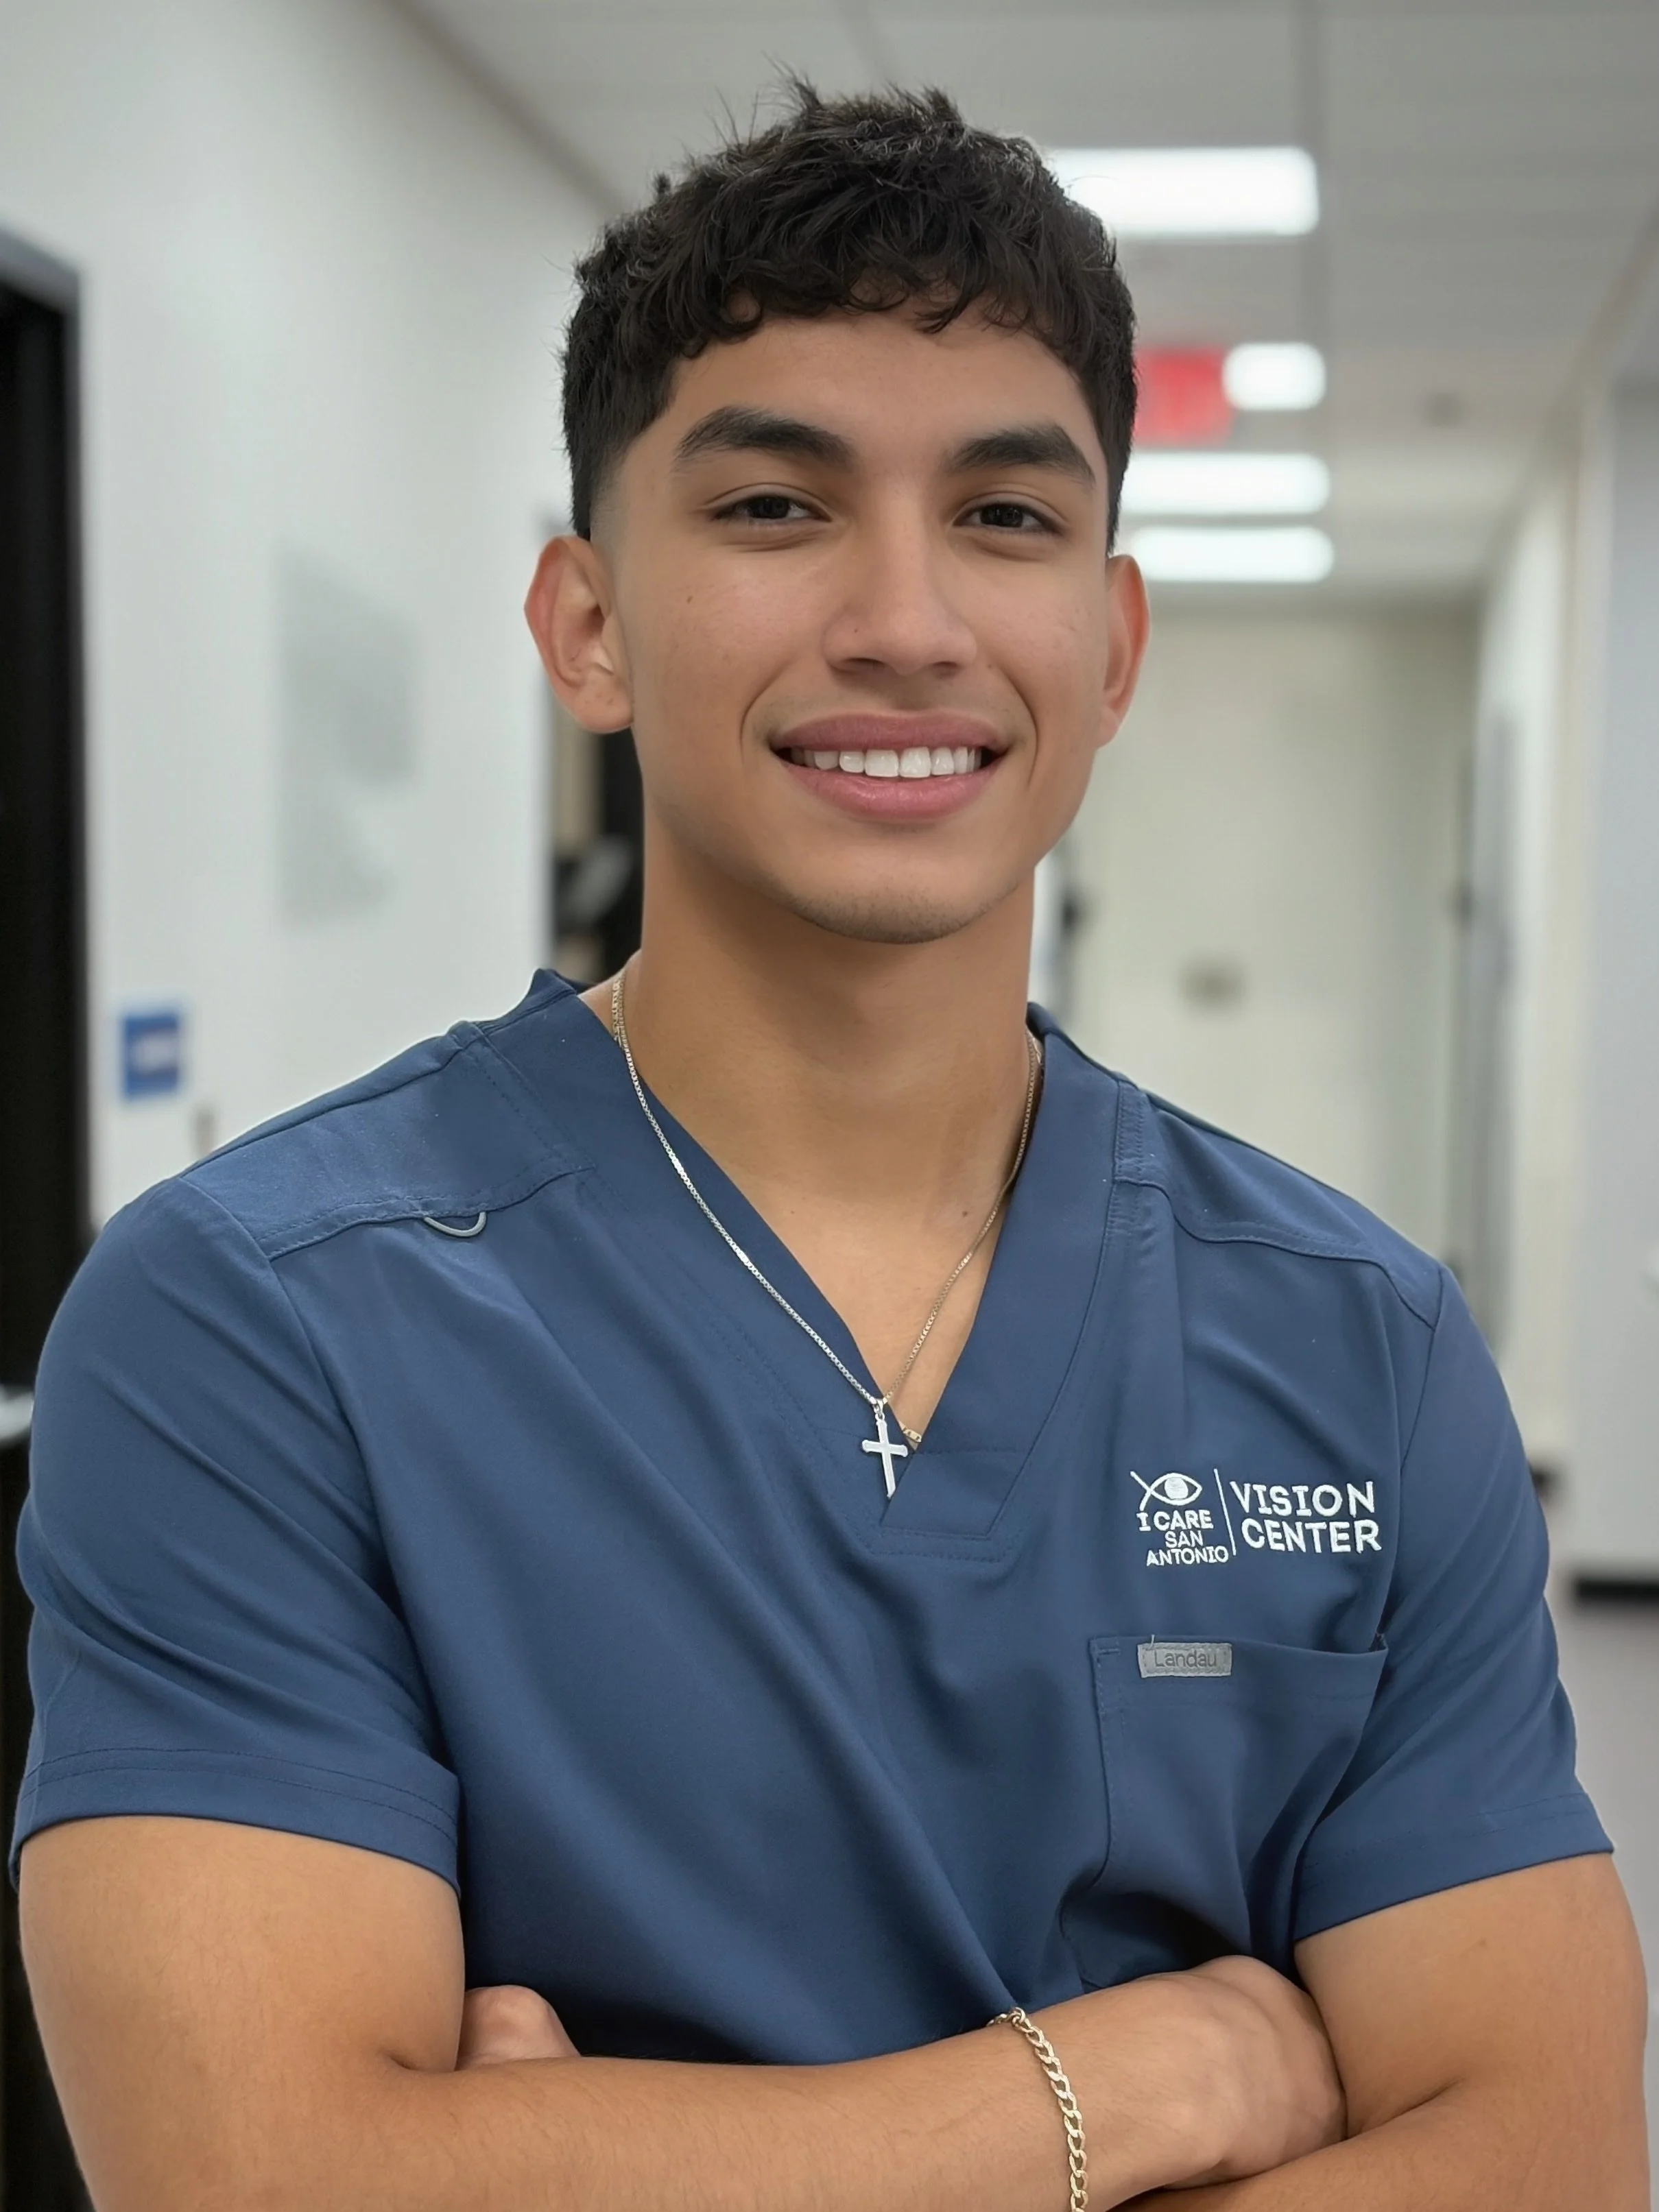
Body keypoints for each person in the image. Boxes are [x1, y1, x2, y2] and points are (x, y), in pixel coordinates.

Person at [14, 84, 1647, 2212]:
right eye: (777, 508)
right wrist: (1133, 2090)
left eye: (1006, 517)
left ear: (1114, 643)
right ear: (585, 621)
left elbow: (1553, 2156)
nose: (905, 619)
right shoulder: (258, 1325)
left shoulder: (1356, 1344)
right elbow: (264, 2179)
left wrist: (557, 2161)